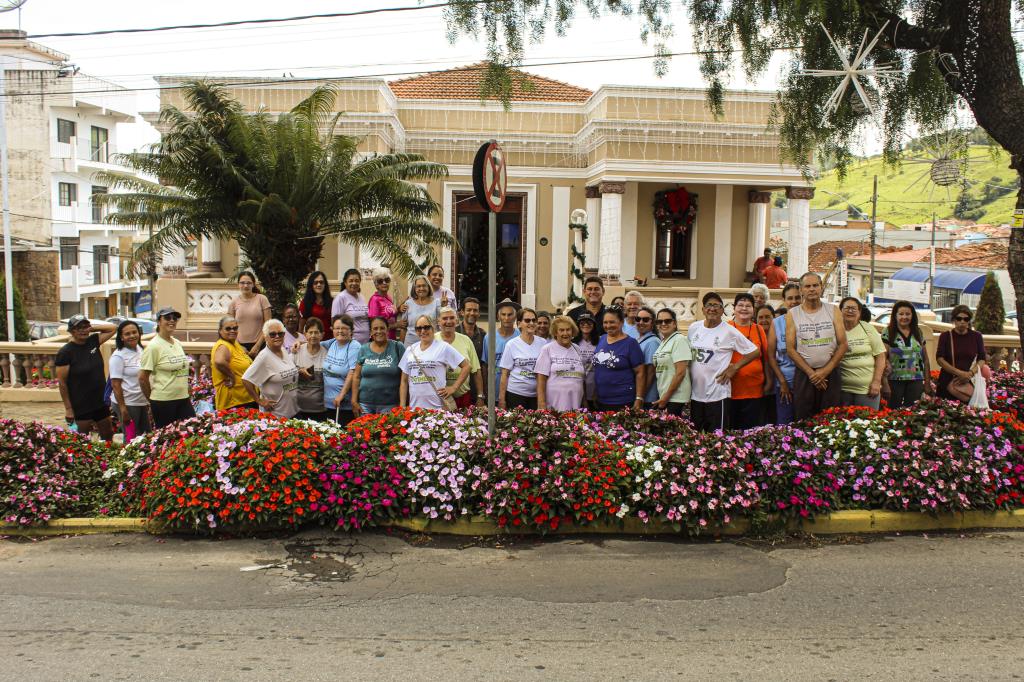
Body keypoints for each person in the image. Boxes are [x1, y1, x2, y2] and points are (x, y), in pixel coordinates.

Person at [687, 292, 759, 432]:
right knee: (696, 438)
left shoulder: (729, 331)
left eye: (716, 305)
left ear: (722, 310)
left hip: (717, 395)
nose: (712, 309)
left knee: (717, 440)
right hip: (696, 395)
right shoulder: (694, 328)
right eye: (709, 305)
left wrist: (735, 367)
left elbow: (754, 351)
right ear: (702, 309)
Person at [786, 273, 848, 420]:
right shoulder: (793, 314)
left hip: (830, 373)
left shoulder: (833, 310)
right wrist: (812, 374)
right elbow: (790, 348)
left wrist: (825, 371)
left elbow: (843, 344)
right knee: (803, 418)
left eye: (815, 285)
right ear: (801, 290)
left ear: (821, 288)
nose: (812, 289)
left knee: (830, 418)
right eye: (807, 286)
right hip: (805, 374)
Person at [56, 314, 117, 441]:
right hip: (81, 403)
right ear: (72, 331)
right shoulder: (66, 352)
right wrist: (68, 409)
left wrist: (92, 329)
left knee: (108, 434)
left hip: (99, 401)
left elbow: (113, 328)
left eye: (85, 327)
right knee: (81, 440)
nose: (83, 330)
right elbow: (62, 383)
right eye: (79, 328)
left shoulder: (93, 341)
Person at [139, 307, 195, 429]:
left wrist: (186, 386)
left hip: (183, 398)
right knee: (167, 439)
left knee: (192, 431)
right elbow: (143, 378)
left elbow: (182, 368)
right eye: (167, 318)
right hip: (163, 401)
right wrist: (152, 400)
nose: (172, 321)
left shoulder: (177, 343)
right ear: (159, 321)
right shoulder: (153, 346)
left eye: (174, 318)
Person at [399, 315, 469, 410]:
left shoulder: (443, 347)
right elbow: (404, 381)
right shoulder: (410, 350)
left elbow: (466, 366)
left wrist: (453, 388)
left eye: (426, 327)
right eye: (418, 328)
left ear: (433, 328)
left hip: (438, 409)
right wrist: (402, 406)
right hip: (414, 410)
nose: (422, 331)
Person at [242, 318, 300, 419]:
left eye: (280, 333)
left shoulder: (283, 350)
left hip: (292, 412)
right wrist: (259, 401)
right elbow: (246, 379)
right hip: (275, 416)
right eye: (272, 334)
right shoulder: (264, 356)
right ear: (265, 337)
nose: (277, 336)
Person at [728, 292, 770, 430]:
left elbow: (766, 358)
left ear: (753, 310)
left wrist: (768, 383)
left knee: (752, 432)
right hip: (730, 390)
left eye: (748, 306)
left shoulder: (758, 330)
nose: (744, 308)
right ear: (734, 308)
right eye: (740, 305)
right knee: (731, 432)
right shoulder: (726, 328)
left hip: (754, 389)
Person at [592, 306, 645, 411]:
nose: (608, 326)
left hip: (622, 401)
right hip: (601, 400)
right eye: (605, 322)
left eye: (612, 322)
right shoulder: (601, 339)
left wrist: (639, 398)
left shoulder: (630, 343)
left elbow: (640, 372)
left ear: (621, 322)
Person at [881, 300, 933, 408]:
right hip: (894, 380)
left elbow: (925, 359)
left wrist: (927, 382)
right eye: (901, 314)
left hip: (916, 380)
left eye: (908, 314)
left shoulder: (918, 332)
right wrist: (884, 382)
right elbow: (882, 357)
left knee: (912, 412)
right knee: (892, 411)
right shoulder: (888, 332)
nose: (904, 317)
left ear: (912, 316)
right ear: (895, 316)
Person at [837, 297, 887, 409]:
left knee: (868, 423)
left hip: (867, 390)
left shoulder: (867, 328)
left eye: (854, 309)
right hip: (842, 390)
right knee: (841, 423)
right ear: (840, 311)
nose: (850, 311)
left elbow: (880, 356)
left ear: (859, 312)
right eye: (847, 308)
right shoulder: (835, 329)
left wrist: (876, 382)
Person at [353, 316, 405, 415]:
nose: (379, 331)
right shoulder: (363, 349)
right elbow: (356, 376)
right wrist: (354, 401)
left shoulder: (398, 347)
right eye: (375, 329)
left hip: (390, 405)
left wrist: (402, 405)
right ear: (371, 332)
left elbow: (404, 379)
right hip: (365, 405)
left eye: (382, 328)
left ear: (387, 329)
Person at [935, 304, 988, 402]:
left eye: (966, 319)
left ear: (969, 320)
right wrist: (960, 373)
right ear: (954, 320)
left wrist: (970, 374)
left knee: (969, 413)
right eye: (959, 318)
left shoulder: (976, 336)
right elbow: (940, 359)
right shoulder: (945, 336)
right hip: (948, 381)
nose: (962, 322)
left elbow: (982, 358)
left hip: (968, 382)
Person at [109, 320, 150, 440]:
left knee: (146, 436)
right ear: (121, 337)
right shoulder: (118, 356)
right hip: (128, 403)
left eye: (134, 332)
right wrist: (123, 409)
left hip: (141, 401)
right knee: (131, 438)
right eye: (127, 334)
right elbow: (115, 385)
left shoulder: (140, 349)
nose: (132, 336)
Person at [767, 283, 801, 425]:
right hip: (785, 382)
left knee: (804, 422)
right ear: (784, 300)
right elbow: (771, 356)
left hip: (806, 382)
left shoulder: (810, 320)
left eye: (797, 298)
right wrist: (782, 382)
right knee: (784, 424)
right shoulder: (777, 323)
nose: (794, 302)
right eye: (790, 298)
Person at [535, 316, 586, 412]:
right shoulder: (547, 349)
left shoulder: (577, 349)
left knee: (575, 426)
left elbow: (581, 379)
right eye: (561, 330)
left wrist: (585, 402)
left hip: (576, 403)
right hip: (554, 404)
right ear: (555, 332)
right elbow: (541, 379)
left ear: (573, 331)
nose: (565, 333)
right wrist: (541, 404)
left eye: (568, 330)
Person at [499, 307, 547, 410]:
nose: (531, 323)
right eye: (527, 320)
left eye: (534, 320)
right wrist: (502, 400)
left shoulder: (543, 343)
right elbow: (504, 374)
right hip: (515, 394)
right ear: (519, 323)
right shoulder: (511, 345)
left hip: (536, 396)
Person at [438, 306, 483, 408]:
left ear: (457, 321)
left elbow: (476, 371)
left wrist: (480, 396)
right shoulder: (433, 340)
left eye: (452, 318)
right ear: (439, 321)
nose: (448, 321)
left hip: (462, 396)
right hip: (439, 398)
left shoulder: (466, 340)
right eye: (445, 318)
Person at [651, 308, 691, 416]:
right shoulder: (664, 341)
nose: (663, 324)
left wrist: (665, 397)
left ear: (674, 323)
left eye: (667, 321)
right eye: (659, 321)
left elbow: (680, 373)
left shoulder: (679, 340)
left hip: (677, 398)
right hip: (666, 397)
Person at [211, 316, 255, 412]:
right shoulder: (223, 346)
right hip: (233, 401)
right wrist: (231, 376)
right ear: (220, 331)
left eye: (235, 328)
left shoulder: (234, 343)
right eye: (228, 328)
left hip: (244, 398)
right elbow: (219, 361)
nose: (232, 331)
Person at [323, 314, 361, 424]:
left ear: (351, 330)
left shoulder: (354, 346)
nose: (340, 331)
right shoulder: (332, 342)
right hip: (328, 402)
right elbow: (313, 343)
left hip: (343, 404)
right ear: (332, 329)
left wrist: (341, 395)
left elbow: (352, 372)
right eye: (337, 328)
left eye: (344, 328)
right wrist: (299, 343)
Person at [227, 271, 271, 357]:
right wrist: (239, 347)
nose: (245, 285)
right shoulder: (233, 302)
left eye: (249, 283)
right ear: (238, 285)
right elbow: (229, 328)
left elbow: (268, 325)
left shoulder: (262, 299)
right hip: (240, 347)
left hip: (261, 345)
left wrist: (257, 346)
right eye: (242, 283)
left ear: (253, 284)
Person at [482, 298, 520, 390]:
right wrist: (486, 387)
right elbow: (485, 365)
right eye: (503, 314)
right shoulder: (489, 337)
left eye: (510, 315)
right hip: (495, 388)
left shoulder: (520, 336)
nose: (506, 318)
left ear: (515, 317)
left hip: (515, 389)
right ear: (498, 317)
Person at [295, 318, 329, 420]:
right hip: (298, 409)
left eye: (316, 332)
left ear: (322, 335)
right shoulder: (297, 351)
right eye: (310, 332)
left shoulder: (327, 353)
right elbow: (285, 372)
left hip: (321, 410)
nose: (313, 336)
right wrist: (298, 371)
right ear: (305, 334)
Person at [399, 274, 441, 346]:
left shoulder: (436, 303)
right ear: (414, 289)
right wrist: (400, 347)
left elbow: (440, 325)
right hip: (410, 344)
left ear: (428, 287)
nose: (421, 288)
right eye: (418, 286)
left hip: (431, 344)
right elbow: (403, 328)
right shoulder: (408, 304)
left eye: (424, 285)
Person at [332, 268, 370, 344]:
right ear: (345, 283)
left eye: (357, 281)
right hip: (350, 342)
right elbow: (335, 322)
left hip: (366, 342)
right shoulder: (340, 298)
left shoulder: (361, 297)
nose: (354, 283)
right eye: (351, 281)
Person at [634, 305, 661, 407]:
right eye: (638, 319)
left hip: (647, 399)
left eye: (645, 320)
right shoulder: (639, 340)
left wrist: (640, 397)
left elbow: (651, 372)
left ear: (652, 323)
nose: (641, 322)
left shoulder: (652, 342)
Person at [574, 313, 598, 408]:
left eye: (589, 322)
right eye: (582, 322)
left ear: (594, 325)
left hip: (595, 388)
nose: (586, 324)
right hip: (578, 386)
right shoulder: (573, 343)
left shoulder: (600, 341)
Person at [367, 267, 398, 340]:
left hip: (391, 338)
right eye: (380, 281)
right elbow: (375, 325)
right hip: (381, 339)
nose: (384, 283)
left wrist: (400, 309)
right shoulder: (374, 300)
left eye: (387, 280)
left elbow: (391, 315)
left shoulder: (388, 298)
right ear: (376, 284)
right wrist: (396, 325)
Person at [298, 270, 333, 335]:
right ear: (311, 285)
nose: (319, 284)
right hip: (313, 340)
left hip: (330, 341)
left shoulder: (332, 302)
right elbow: (301, 327)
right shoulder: (305, 303)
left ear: (325, 285)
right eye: (315, 282)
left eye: (321, 282)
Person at [456, 296, 485, 363]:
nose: (472, 313)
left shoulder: (483, 335)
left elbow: (484, 362)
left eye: (475, 310)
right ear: (462, 312)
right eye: (469, 310)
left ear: (479, 314)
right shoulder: (454, 332)